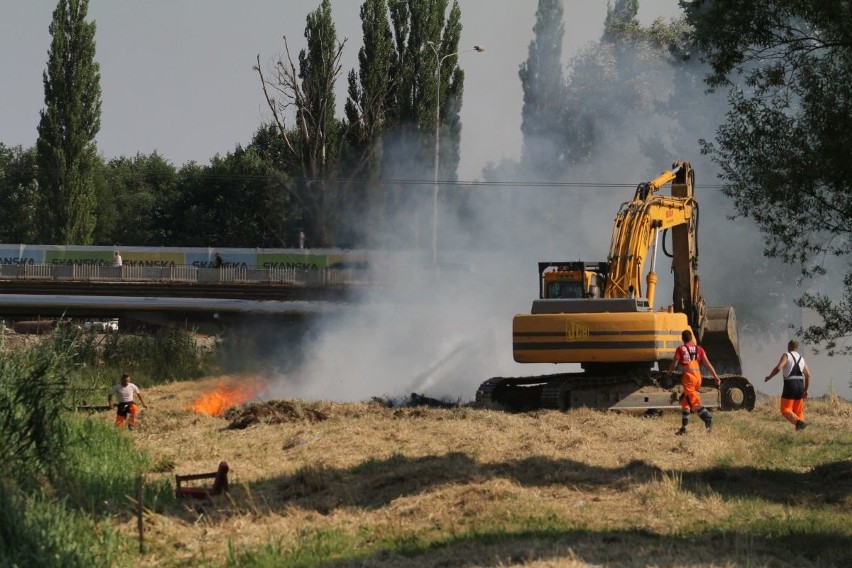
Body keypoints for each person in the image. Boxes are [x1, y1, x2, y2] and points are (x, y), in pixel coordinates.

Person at [666, 329, 721, 435]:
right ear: (691, 338)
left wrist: (669, 373)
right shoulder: (699, 349)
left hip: (688, 379)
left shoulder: (680, 349)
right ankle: (683, 429)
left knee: (694, 403)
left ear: (682, 339)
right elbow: (708, 364)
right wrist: (716, 377)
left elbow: (675, 364)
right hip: (698, 378)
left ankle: (708, 418)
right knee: (685, 402)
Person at [764, 340, 811, 431]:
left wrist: (769, 376)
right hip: (800, 386)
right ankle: (800, 433)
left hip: (790, 385)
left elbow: (778, 368)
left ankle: (798, 422)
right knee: (798, 411)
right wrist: (805, 390)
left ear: (789, 346)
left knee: (785, 409)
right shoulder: (802, 358)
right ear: (797, 348)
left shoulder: (786, 355)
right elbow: (808, 376)